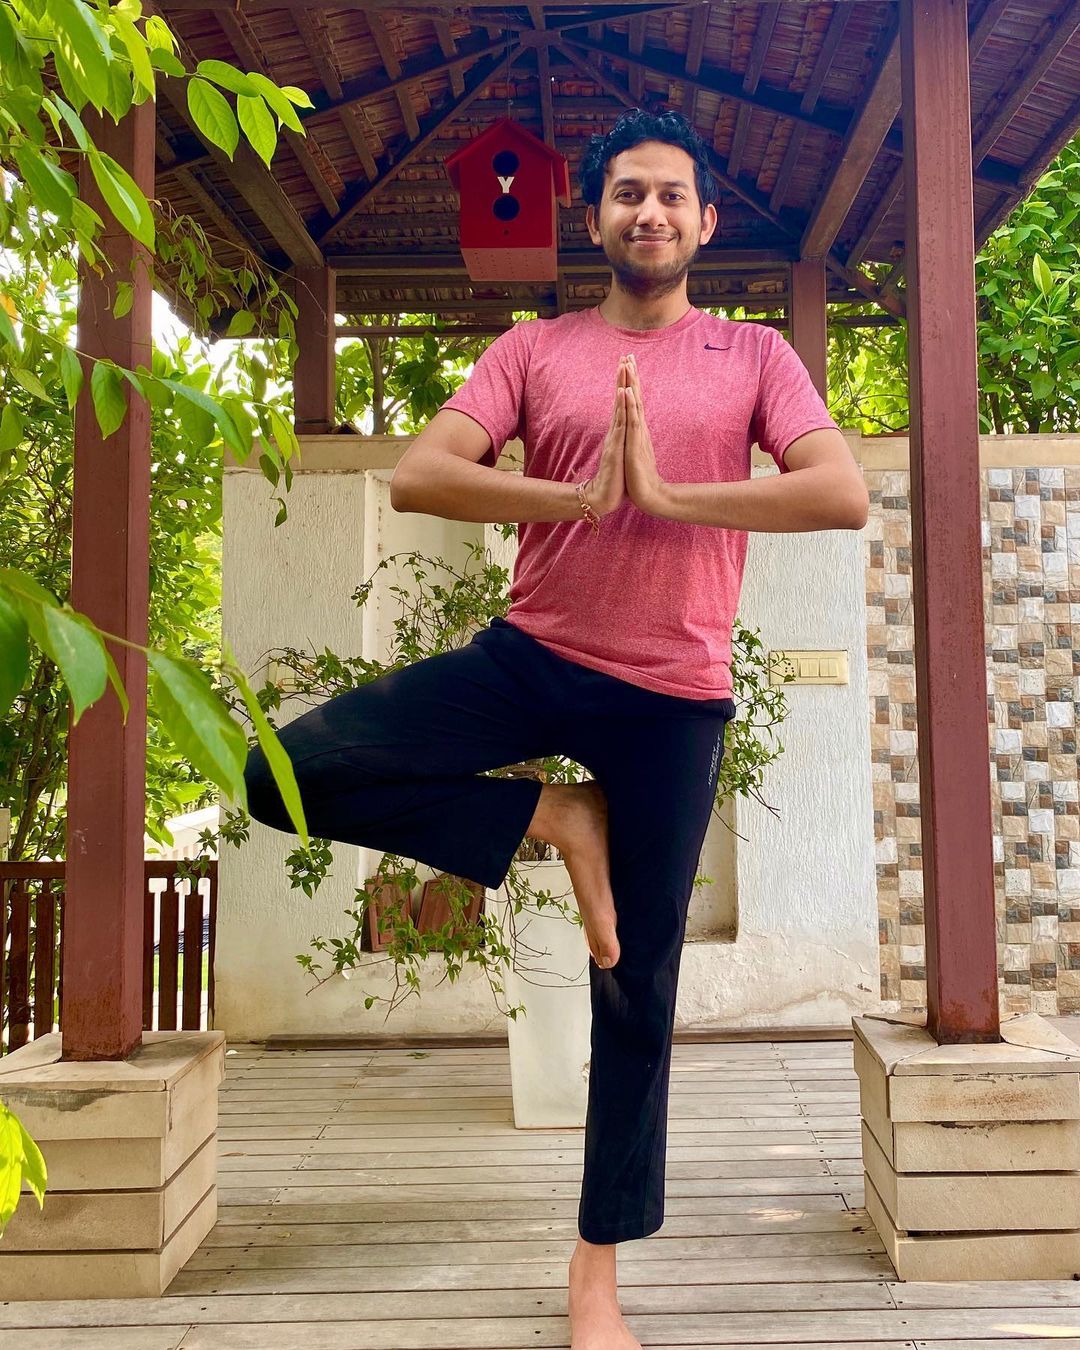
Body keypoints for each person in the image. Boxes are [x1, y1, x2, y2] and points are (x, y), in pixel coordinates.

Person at [245, 108, 868, 1350]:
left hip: (673, 694)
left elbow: (839, 491)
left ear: (705, 221)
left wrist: (669, 495)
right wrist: (572, 495)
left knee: (634, 983)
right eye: (628, 193)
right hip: (531, 660)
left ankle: (598, 1279)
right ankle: (552, 812)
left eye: (672, 195)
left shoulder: (753, 355)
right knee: (282, 773)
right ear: (596, 217)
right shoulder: (534, 348)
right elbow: (422, 473)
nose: (651, 212)